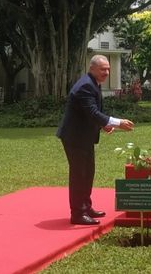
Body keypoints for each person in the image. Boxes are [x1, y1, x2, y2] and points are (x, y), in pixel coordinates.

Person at [56, 55, 134, 225]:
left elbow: (88, 113)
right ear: (92, 68)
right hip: (75, 137)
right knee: (79, 174)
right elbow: (92, 112)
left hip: (84, 136)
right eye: (102, 69)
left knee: (88, 172)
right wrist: (117, 122)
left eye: (108, 69)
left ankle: (86, 207)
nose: (106, 72)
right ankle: (78, 214)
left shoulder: (92, 83)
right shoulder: (85, 86)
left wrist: (102, 125)